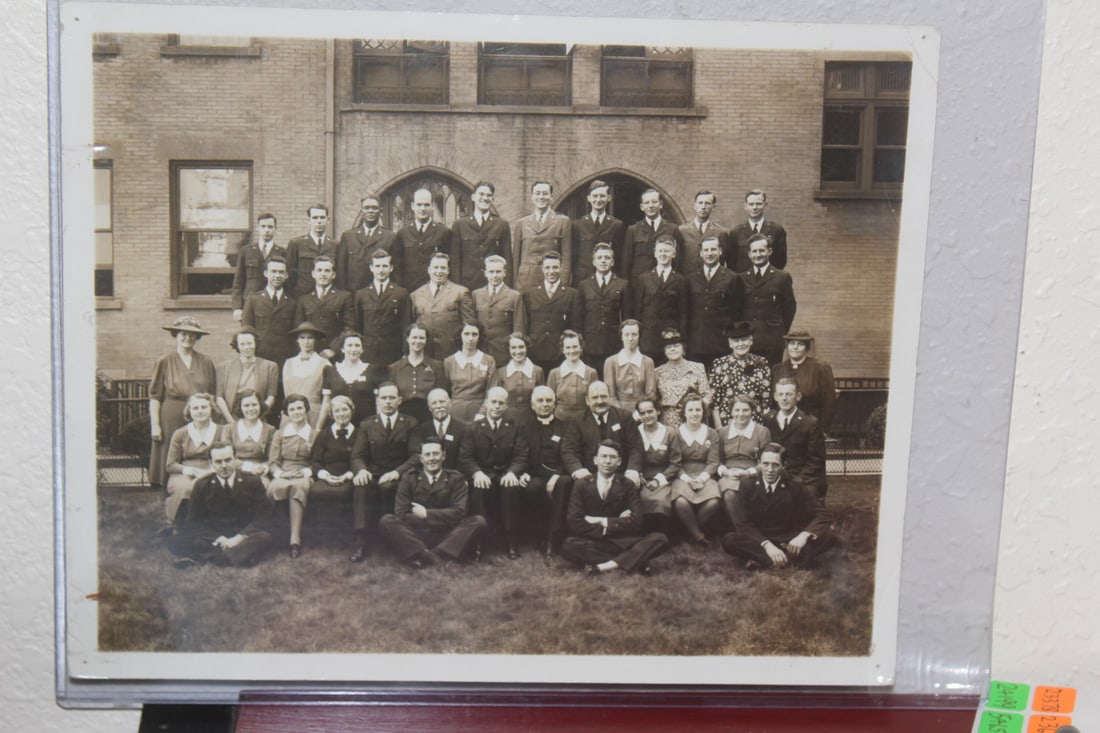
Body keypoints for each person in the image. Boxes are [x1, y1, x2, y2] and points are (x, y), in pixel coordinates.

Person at [560, 440, 670, 576]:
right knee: (568, 546)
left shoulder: (627, 484)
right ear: (595, 460)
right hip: (593, 539)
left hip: (621, 540)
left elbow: (636, 521)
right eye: (604, 456)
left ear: (619, 462)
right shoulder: (582, 484)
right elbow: (574, 521)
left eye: (612, 457)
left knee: (660, 538)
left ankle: (603, 567)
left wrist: (603, 521)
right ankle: (638, 559)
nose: (607, 461)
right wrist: (614, 525)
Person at [720, 443, 835, 569]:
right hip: (761, 539)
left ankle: (762, 561)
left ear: (783, 466)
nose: (770, 470)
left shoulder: (795, 485)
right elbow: (744, 523)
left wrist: (803, 536)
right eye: (765, 464)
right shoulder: (747, 485)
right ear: (759, 463)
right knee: (729, 540)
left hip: (790, 539)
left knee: (828, 535)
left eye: (775, 465)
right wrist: (767, 545)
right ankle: (791, 560)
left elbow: (823, 515)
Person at [379, 438, 487, 568]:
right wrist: (439, 517)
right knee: (387, 520)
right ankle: (436, 556)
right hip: (416, 533)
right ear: (421, 458)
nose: (431, 458)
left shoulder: (456, 478)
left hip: (447, 534)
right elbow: (401, 512)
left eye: (436, 454)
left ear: (443, 456)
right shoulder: (409, 478)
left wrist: (426, 514)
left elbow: (460, 512)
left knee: (478, 521)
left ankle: (422, 555)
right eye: (427, 454)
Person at [168, 443, 275, 568]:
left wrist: (239, 538)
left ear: (236, 460)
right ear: (210, 463)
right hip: (215, 536)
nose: (224, 466)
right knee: (175, 541)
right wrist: (219, 538)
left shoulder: (252, 481)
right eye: (218, 462)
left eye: (228, 460)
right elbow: (194, 521)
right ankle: (236, 557)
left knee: (265, 538)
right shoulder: (202, 485)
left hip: (242, 535)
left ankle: (208, 558)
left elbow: (263, 516)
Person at [349, 383, 421, 562]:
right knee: (362, 485)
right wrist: (362, 470)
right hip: (373, 474)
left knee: (390, 487)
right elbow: (357, 455)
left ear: (399, 400)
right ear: (378, 400)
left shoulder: (410, 423)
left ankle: (397, 540)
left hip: (399, 475)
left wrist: (397, 472)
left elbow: (416, 456)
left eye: (392, 398)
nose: (388, 402)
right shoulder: (367, 424)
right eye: (384, 398)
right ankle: (361, 540)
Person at [457, 386, 529, 558]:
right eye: (493, 402)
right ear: (486, 403)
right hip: (483, 474)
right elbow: (465, 457)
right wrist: (477, 473)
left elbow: (521, 455)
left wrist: (512, 472)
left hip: (505, 474)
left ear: (506, 406)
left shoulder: (515, 427)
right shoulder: (472, 428)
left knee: (511, 489)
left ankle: (511, 541)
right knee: (479, 490)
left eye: (501, 403)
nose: (496, 406)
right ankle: (479, 542)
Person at [148, 317, 216, 491]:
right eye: (183, 334)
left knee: (200, 448)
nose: (188, 338)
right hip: (172, 414)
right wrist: (155, 425)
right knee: (171, 452)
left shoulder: (206, 361)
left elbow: (213, 394)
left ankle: (202, 488)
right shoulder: (164, 361)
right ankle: (167, 491)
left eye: (193, 335)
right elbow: (155, 396)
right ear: (176, 335)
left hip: (201, 412)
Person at [520, 386, 577, 554]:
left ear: (555, 404)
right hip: (535, 474)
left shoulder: (566, 427)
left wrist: (557, 475)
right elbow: (520, 453)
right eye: (540, 401)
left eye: (548, 400)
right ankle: (538, 538)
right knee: (531, 487)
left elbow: (570, 454)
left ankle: (554, 539)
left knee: (563, 484)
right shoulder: (525, 427)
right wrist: (523, 472)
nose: (544, 404)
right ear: (532, 405)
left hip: (560, 474)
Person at [302, 394, 359, 559]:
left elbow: (362, 459)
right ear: (331, 415)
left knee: (343, 493)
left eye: (345, 410)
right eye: (337, 411)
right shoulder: (325, 434)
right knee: (317, 491)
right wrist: (325, 476)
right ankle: (323, 537)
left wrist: (347, 476)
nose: (341, 414)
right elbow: (315, 461)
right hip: (326, 476)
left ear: (351, 411)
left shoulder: (359, 433)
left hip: (348, 475)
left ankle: (344, 537)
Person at [563, 381, 642, 485]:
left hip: (620, 474)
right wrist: (577, 469)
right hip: (589, 475)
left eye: (604, 396)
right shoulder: (577, 420)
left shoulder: (624, 417)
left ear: (609, 397)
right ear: (587, 400)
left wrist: (632, 470)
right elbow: (569, 450)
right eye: (595, 398)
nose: (600, 401)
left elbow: (636, 447)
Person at [669, 393, 722, 545]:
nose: (694, 414)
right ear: (684, 412)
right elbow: (675, 461)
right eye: (690, 410)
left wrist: (701, 478)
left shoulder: (712, 433)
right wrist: (687, 479)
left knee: (713, 502)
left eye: (698, 410)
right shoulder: (676, 433)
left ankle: (690, 531)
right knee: (680, 501)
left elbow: (713, 461)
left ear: (703, 412)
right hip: (682, 475)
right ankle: (699, 536)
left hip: (705, 474)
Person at [266, 394, 316, 555]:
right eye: (292, 409)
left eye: (299, 408)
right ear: (286, 412)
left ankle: (295, 540)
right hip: (284, 472)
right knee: (273, 488)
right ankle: (270, 535)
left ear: (306, 409)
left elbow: (317, 461)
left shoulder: (314, 434)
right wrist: (281, 474)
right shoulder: (279, 434)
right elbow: (273, 462)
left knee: (298, 488)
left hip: (303, 472)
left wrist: (305, 472)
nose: (296, 412)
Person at [762, 378, 827, 498]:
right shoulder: (768, 419)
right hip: (773, 474)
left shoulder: (810, 422)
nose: (784, 398)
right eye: (780, 394)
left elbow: (816, 459)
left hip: (801, 476)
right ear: (775, 397)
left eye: (789, 394)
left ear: (798, 396)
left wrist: (798, 480)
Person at [522, 251, 584, 375]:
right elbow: (525, 324)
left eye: (555, 267)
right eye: (548, 267)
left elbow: (576, 327)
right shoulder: (530, 294)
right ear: (542, 269)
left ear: (561, 268)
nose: (551, 271)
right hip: (536, 350)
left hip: (560, 353)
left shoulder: (572, 294)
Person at [687, 235, 743, 369]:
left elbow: (737, 312)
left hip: (721, 342)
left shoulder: (732, 278)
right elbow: (686, 311)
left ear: (720, 251)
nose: (710, 253)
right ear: (701, 253)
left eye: (713, 249)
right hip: (696, 342)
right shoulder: (690, 279)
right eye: (706, 250)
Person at [739, 234, 796, 365]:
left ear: (769, 251)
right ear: (749, 254)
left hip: (772, 340)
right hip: (749, 341)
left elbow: (789, 308)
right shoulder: (741, 278)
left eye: (761, 250)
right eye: (754, 251)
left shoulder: (782, 277)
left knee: (772, 378)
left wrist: (779, 331)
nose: (758, 255)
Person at [164, 392, 218, 525]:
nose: (200, 411)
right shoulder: (180, 433)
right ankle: (179, 527)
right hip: (185, 472)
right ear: (189, 411)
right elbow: (170, 465)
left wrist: (211, 471)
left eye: (204, 407)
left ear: (211, 409)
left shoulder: (222, 431)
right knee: (186, 489)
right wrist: (192, 471)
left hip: (214, 469)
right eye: (195, 408)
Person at [409, 252, 477, 360]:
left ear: (448, 271)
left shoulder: (460, 292)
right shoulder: (415, 295)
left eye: (443, 268)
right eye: (435, 267)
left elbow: (469, 326)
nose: (439, 271)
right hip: (425, 353)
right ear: (429, 270)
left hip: (452, 353)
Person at [633, 235, 690, 362]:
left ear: (674, 254)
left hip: (670, 338)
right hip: (648, 338)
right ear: (654, 253)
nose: (663, 254)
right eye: (660, 251)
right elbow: (637, 311)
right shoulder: (644, 279)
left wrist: (681, 340)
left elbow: (684, 313)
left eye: (667, 251)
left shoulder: (681, 281)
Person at [771, 329, 838, 435]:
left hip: (812, 428)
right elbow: (773, 401)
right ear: (787, 346)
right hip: (784, 427)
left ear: (806, 348)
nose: (795, 347)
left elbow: (829, 402)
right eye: (792, 343)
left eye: (800, 344)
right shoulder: (778, 369)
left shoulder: (820, 368)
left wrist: (823, 430)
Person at [352, 249, 411, 368]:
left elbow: (406, 326)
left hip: (393, 352)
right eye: (377, 266)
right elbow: (357, 326)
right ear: (371, 268)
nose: (381, 270)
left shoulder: (401, 293)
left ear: (391, 268)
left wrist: (405, 352)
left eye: (385, 266)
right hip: (368, 353)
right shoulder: (361, 294)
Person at [709, 321, 773, 429]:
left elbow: (766, 400)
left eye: (744, 340)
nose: (740, 344)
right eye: (736, 341)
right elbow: (715, 401)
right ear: (730, 344)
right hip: (727, 421)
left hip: (755, 421)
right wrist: (718, 426)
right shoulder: (719, 364)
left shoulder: (761, 362)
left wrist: (763, 428)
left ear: (751, 341)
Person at [512, 180, 574, 290]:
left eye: (545, 193)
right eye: (537, 193)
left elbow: (566, 257)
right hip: (526, 281)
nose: (541, 197)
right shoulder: (521, 223)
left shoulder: (563, 222)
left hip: (552, 280)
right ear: (532, 197)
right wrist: (515, 283)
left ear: (551, 196)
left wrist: (563, 283)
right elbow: (516, 258)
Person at [451, 181, 512, 290]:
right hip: (467, 286)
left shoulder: (501, 225)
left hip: (493, 286)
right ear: (473, 197)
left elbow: (507, 259)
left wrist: (506, 288)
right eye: (481, 194)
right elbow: (455, 261)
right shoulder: (460, 225)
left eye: (489, 195)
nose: (485, 198)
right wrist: (457, 288)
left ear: (493, 199)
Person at [576, 242, 629, 368]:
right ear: (594, 262)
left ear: (612, 262)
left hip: (613, 342)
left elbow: (627, 316)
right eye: (599, 258)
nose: (603, 261)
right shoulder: (584, 285)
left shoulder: (622, 284)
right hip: (591, 342)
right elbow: (579, 317)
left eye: (607, 258)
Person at [293, 255, 355, 359]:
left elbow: (349, 329)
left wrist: (333, 349)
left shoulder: (344, 297)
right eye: (319, 270)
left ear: (333, 274)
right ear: (313, 274)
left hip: (336, 355)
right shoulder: (303, 300)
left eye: (327, 271)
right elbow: (299, 329)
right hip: (310, 354)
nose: (323, 274)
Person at [634, 398, 681, 534]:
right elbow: (630, 457)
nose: (647, 416)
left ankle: (662, 535)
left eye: (650, 411)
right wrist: (638, 474)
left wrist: (658, 480)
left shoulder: (670, 432)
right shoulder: (635, 433)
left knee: (659, 500)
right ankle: (643, 535)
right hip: (641, 477)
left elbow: (675, 462)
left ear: (658, 411)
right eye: (643, 413)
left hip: (664, 477)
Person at [215, 328, 280, 425]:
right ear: (237, 346)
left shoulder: (270, 366)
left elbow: (271, 396)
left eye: (249, 343)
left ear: (255, 343)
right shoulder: (224, 367)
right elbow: (219, 397)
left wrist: (258, 415)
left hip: (258, 417)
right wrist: (230, 421)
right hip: (231, 418)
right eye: (242, 344)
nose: (246, 347)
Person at [241, 256, 298, 365]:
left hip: (285, 358)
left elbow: (295, 335)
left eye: (281, 272)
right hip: (260, 357)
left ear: (286, 275)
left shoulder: (292, 302)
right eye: (274, 271)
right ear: (266, 273)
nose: (277, 276)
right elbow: (246, 330)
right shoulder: (254, 299)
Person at [472, 254, 527, 367]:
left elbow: (519, 328)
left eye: (498, 271)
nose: (495, 275)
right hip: (481, 351)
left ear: (504, 273)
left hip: (503, 353)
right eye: (491, 272)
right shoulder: (476, 294)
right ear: (486, 273)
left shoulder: (514, 296)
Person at [321, 330, 384, 428]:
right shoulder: (330, 370)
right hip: (339, 425)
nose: (353, 349)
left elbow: (378, 402)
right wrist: (318, 428)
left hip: (366, 426)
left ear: (362, 349)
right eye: (349, 345)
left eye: (357, 345)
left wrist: (380, 426)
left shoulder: (372, 370)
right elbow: (326, 402)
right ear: (342, 349)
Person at [388, 323, 448, 425]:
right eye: (414, 337)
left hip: (428, 417)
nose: (418, 341)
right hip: (403, 418)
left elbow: (441, 394)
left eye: (421, 338)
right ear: (407, 339)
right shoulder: (394, 368)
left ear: (426, 340)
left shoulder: (436, 366)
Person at [393, 188, 452, 292]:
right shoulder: (402, 233)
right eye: (419, 204)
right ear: (413, 206)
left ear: (432, 206)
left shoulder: (443, 232)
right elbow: (397, 267)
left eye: (426, 205)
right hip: (409, 290)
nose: (422, 208)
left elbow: (449, 264)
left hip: (435, 291)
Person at [716, 395, 772, 499]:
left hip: (752, 475)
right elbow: (717, 460)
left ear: (752, 412)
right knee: (729, 493)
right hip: (729, 475)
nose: (741, 414)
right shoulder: (723, 432)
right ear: (731, 412)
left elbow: (767, 461)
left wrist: (748, 473)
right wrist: (725, 472)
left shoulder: (762, 432)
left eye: (745, 410)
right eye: (737, 410)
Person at [231, 213, 284, 321]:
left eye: (270, 227)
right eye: (263, 226)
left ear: (275, 228)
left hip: (273, 304)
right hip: (250, 303)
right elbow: (238, 282)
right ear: (258, 228)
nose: (266, 230)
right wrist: (237, 307)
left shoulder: (282, 252)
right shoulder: (246, 251)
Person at [336, 195, 395, 293]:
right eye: (367, 208)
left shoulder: (390, 237)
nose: (370, 211)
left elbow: (395, 271)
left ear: (380, 211)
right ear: (362, 211)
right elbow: (341, 271)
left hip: (379, 294)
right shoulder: (348, 236)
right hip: (353, 294)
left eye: (374, 208)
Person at [654, 329, 711, 428]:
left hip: (692, 419)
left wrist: (695, 409)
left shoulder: (697, 368)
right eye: (668, 347)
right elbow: (655, 398)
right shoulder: (657, 372)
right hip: (667, 422)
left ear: (683, 348)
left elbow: (706, 395)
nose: (673, 349)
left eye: (676, 346)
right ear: (664, 351)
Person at [621, 189, 683, 281]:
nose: (650, 206)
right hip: (639, 285)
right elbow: (626, 264)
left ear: (661, 204)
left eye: (654, 202)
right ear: (642, 207)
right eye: (647, 203)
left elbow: (678, 261)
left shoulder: (672, 229)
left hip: (665, 283)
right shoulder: (633, 230)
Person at [218, 389, 275, 486]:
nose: (251, 409)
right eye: (246, 405)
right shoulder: (229, 429)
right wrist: (248, 468)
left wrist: (263, 468)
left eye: (254, 404)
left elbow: (272, 457)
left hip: (260, 473)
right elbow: (226, 456)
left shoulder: (270, 430)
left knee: (263, 485)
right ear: (240, 407)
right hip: (233, 472)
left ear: (260, 406)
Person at [571, 179, 624, 283]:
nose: (598, 200)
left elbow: (619, 258)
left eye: (602, 196)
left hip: (607, 281)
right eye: (595, 196)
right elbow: (573, 257)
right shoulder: (577, 225)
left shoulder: (617, 225)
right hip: (582, 280)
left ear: (609, 198)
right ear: (589, 198)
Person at [281, 321, 331, 431]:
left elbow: (327, 398)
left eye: (310, 338)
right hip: (292, 414)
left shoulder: (324, 364)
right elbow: (286, 393)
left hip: (314, 415)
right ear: (297, 340)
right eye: (302, 338)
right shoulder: (289, 363)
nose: (306, 342)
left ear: (315, 340)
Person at [443, 320, 496, 423]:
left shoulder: (488, 360)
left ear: (480, 337)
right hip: (454, 412)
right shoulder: (449, 361)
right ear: (460, 336)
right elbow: (445, 392)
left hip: (480, 412)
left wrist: (482, 413)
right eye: (466, 334)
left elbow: (492, 391)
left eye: (474, 334)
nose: (470, 338)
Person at [725, 189, 789, 274]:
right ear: (745, 206)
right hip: (743, 282)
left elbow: (781, 260)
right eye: (751, 204)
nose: (754, 207)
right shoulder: (736, 232)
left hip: (768, 281)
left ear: (765, 205)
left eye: (758, 204)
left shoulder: (776, 230)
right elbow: (731, 263)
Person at [603, 319, 656, 415]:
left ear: (639, 336)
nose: (630, 338)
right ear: (621, 337)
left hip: (642, 413)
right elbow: (610, 395)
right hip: (617, 412)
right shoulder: (611, 362)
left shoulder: (648, 362)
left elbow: (650, 394)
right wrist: (622, 414)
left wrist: (640, 412)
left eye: (634, 334)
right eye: (626, 334)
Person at [487, 332, 544, 421]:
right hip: (507, 419)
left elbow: (541, 399)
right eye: (513, 348)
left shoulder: (537, 371)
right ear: (508, 349)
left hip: (531, 419)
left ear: (527, 348)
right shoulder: (501, 372)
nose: (518, 351)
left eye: (521, 347)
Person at [285, 204, 338, 297]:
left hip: (328, 297)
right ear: (308, 221)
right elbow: (290, 273)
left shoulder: (335, 245)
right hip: (302, 296)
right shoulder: (296, 244)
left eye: (322, 218)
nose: (319, 221)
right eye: (315, 218)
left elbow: (338, 273)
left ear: (328, 220)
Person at [547, 330, 598, 423]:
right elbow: (550, 402)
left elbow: (595, 401)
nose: (572, 351)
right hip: (560, 421)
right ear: (563, 350)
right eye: (568, 347)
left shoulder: (591, 373)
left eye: (575, 347)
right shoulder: (554, 373)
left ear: (581, 348)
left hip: (585, 421)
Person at [411, 388, 468, 470]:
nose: (438, 406)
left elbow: (464, 459)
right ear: (429, 408)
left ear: (450, 403)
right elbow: (418, 457)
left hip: (455, 477)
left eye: (442, 402)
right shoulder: (421, 429)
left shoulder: (463, 429)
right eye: (434, 403)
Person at [678, 190, 728, 277]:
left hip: (711, 280)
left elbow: (722, 260)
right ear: (694, 206)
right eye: (700, 203)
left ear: (713, 207)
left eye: (707, 203)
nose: (703, 207)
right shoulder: (682, 231)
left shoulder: (720, 232)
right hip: (687, 281)